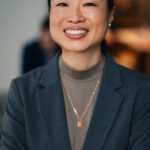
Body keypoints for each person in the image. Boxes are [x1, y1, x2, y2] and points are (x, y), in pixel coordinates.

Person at [1, 0, 150, 150]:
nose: (75, 17)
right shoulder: (22, 91)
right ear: (50, 13)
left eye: (89, 4)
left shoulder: (141, 91)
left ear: (110, 15)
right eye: (62, 4)